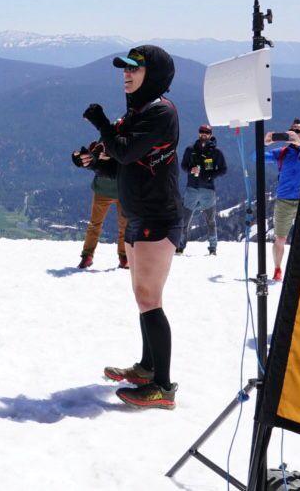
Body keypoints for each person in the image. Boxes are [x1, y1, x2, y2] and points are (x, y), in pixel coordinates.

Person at [83, 45, 184, 410]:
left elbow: (124, 152)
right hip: (140, 215)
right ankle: (146, 368)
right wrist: (93, 162)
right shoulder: (140, 111)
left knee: (149, 299)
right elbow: (125, 167)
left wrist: (101, 124)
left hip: (158, 217)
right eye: (124, 69)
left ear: (152, 74)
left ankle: (163, 386)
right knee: (144, 300)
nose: (126, 74)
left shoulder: (161, 112)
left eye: (134, 69)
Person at [265, 119, 300, 282]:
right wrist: (264, 143)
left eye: (297, 131)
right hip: (284, 200)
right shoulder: (282, 152)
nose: (293, 133)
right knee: (280, 238)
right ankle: (277, 268)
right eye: (291, 130)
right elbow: (256, 158)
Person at [72, 141, 128, 270]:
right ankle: (124, 257)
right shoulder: (124, 145)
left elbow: (91, 160)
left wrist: (79, 157)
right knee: (124, 227)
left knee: (95, 225)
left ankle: (87, 256)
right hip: (122, 191)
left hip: (103, 190)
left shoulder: (100, 144)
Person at [179, 124, 227, 256]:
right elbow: (183, 165)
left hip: (208, 190)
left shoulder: (216, 152)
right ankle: (180, 246)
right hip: (192, 189)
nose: (204, 134)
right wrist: (190, 170)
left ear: (210, 134)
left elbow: (223, 169)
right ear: (198, 133)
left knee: (210, 221)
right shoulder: (190, 150)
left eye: (207, 132)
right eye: (202, 131)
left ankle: (213, 248)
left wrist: (212, 175)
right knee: (185, 220)